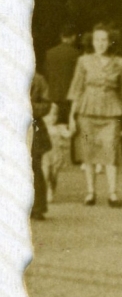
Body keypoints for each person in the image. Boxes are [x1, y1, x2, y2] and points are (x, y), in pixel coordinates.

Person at [67, 23, 122, 207]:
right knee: (88, 151)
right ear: (92, 41)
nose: (100, 43)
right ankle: (90, 193)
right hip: (87, 110)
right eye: (97, 39)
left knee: (111, 152)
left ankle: (113, 194)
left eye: (104, 39)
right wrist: (71, 116)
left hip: (111, 111)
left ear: (110, 41)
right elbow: (77, 88)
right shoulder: (84, 61)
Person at [43, 25, 79, 126]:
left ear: (61, 36)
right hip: (69, 98)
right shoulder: (76, 54)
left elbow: (46, 72)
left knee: (54, 127)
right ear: (73, 37)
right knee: (69, 126)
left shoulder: (50, 53)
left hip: (53, 96)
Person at [30, 72, 52, 221]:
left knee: (33, 167)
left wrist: (27, 107)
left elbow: (46, 105)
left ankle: (37, 207)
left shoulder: (38, 79)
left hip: (33, 128)